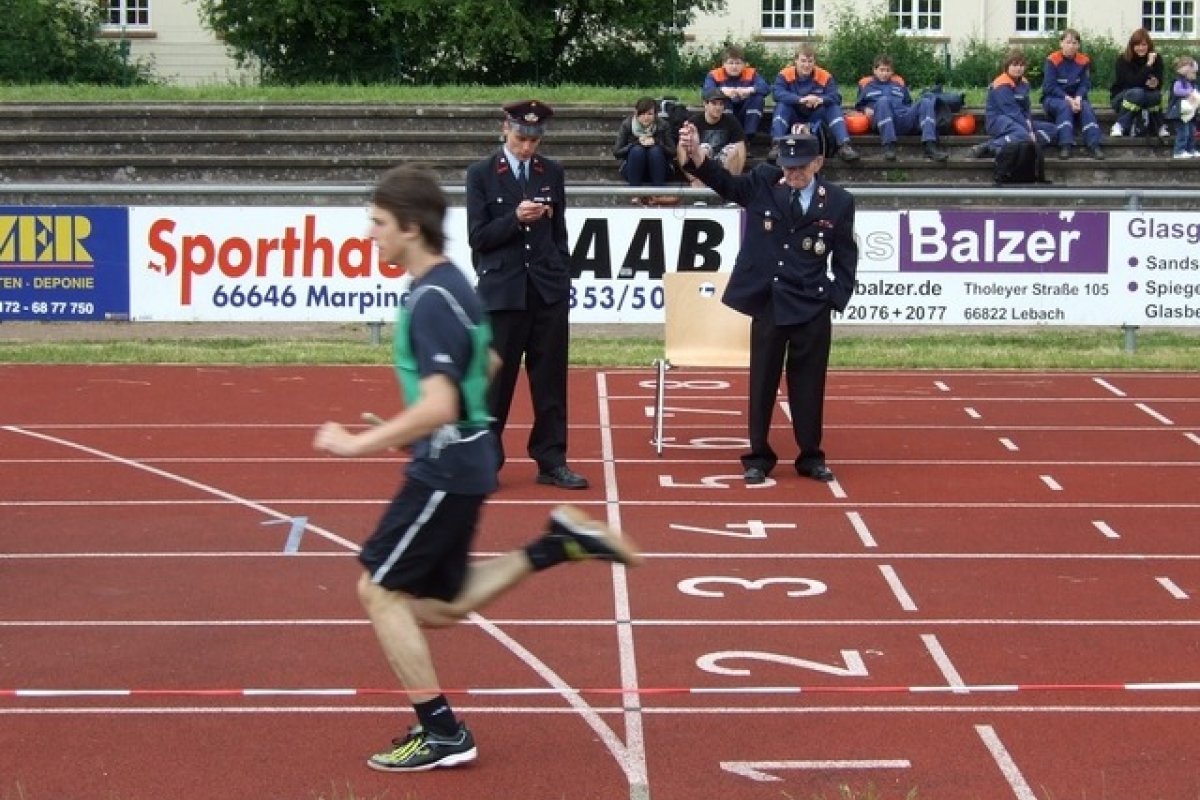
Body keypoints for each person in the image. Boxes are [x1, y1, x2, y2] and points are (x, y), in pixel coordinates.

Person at [312, 164, 642, 773]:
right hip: (465, 458)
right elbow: (486, 364)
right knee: (442, 604)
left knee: (378, 590)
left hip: (445, 468)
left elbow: (442, 401)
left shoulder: (430, 297)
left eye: (378, 223)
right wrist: (430, 428)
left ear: (410, 227)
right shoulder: (455, 283)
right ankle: (554, 547)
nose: (370, 234)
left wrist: (359, 443)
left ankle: (442, 731)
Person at [676, 125, 857, 485]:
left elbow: (845, 256)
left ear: (818, 163)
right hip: (770, 302)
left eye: (801, 166)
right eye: (788, 166)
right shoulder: (763, 182)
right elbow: (724, 183)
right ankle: (758, 455)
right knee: (762, 383)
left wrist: (834, 298)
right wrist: (696, 154)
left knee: (809, 384)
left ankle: (810, 455)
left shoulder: (838, 201)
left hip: (811, 304)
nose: (793, 173)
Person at [465, 100, 588, 490]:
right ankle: (485, 461)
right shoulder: (482, 173)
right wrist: (514, 218)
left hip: (547, 290)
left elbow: (559, 230)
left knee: (550, 382)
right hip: (503, 291)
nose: (527, 147)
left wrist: (561, 271)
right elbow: (478, 237)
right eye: (521, 138)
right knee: (496, 385)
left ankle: (552, 460)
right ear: (506, 129)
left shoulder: (550, 171)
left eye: (534, 140)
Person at [770, 44, 860, 162]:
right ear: (796, 60)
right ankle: (777, 145)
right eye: (803, 61)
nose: (807, 65)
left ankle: (844, 145)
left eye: (810, 61)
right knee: (782, 105)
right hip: (793, 115)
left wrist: (820, 99)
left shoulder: (824, 76)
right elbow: (777, 93)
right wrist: (800, 100)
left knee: (833, 107)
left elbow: (836, 96)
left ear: (814, 62)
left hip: (816, 117)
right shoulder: (784, 74)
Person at [854, 54, 949, 162]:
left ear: (892, 72)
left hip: (903, 118)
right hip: (883, 120)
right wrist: (865, 109)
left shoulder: (898, 85)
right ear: (874, 70)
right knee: (883, 101)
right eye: (882, 70)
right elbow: (859, 105)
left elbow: (908, 103)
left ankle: (930, 146)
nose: (885, 73)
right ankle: (889, 148)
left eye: (888, 70)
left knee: (926, 102)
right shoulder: (867, 86)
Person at [969, 49, 1055, 159]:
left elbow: (1026, 109)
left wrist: (1029, 124)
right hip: (998, 120)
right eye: (1014, 65)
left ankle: (1023, 145)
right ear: (1007, 66)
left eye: (1021, 65)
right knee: (1023, 134)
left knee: (1053, 129)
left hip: (1019, 121)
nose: (1018, 68)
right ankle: (989, 146)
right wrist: (1029, 131)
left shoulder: (1024, 83)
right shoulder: (1001, 84)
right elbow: (1011, 112)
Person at [1041, 28, 1105, 160]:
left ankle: (1094, 145)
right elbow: (1049, 87)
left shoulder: (1084, 60)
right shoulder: (1052, 60)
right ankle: (1065, 145)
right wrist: (1069, 99)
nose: (1071, 46)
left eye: (1074, 43)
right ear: (1061, 43)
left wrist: (1079, 97)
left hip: (1076, 98)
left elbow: (1085, 84)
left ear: (1078, 45)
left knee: (1086, 108)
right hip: (1054, 99)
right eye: (1068, 42)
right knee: (1065, 107)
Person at [677, 87, 747, 187]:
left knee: (733, 150)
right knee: (704, 149)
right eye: (714, 103)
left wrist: (736, 179)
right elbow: (681, 148)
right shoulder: (694, 122)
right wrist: (691, 178)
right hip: (703, 163)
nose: (718, 107)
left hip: (723, 164)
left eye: (721, 104)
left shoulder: (731, 121)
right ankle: (701, 192)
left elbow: (741, 150)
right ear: (705, 104)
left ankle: (729, 189)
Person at [702, 44, 771, 143]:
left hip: (745, 109)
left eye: (738, 63)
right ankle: (728, 136)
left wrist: (749, 90)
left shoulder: (751, 73)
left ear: (744, 64)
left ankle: (748, 137)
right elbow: (706, 92)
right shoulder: (714, 74)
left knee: (758, 98)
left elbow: (766, 88)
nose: (734, 66)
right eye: (731, 63)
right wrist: (722, 91)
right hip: (727, 109)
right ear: (723, 64)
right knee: (722, 100)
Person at [1110, 28, 1168, 140]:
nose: (1141, 48)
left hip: (1146, 95)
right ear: (1132, 46)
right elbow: (1132, 83)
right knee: (1137, 93)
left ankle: (1159, 126)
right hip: (1123, 97)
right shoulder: (1123, 60)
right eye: (1137, 45)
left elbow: (1159, 82)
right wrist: (1148, 65)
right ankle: (1119, 125)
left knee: (1155, 95)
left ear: (1149, 45)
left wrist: (1155, 83)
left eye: (1144, 45)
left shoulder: (1157, 59)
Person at [612, 96, 676, 197]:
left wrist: (657, 142)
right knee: (637, 150)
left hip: (659, 168)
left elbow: (673, 152)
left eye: (650, 114)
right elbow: (617, 152)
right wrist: (635, 143)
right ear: (636, 113)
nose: (646, 117)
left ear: (655, 114)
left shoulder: (663, 125)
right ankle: (635, 195)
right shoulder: (627, 124)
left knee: (655, 151)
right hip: (633, 169)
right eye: (642, 114)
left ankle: (658, 195)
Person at [1165, 55, 1200, 159]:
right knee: (1183, 132)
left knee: (1191, 132)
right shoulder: (1179, 81)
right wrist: (1189, 93)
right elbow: (1177, 91)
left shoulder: (1191, 83)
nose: (1194, 75)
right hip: (1180, 112)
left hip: (1190, 113)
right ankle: (1179, 151)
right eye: (1193, 72)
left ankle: (1190, 149)